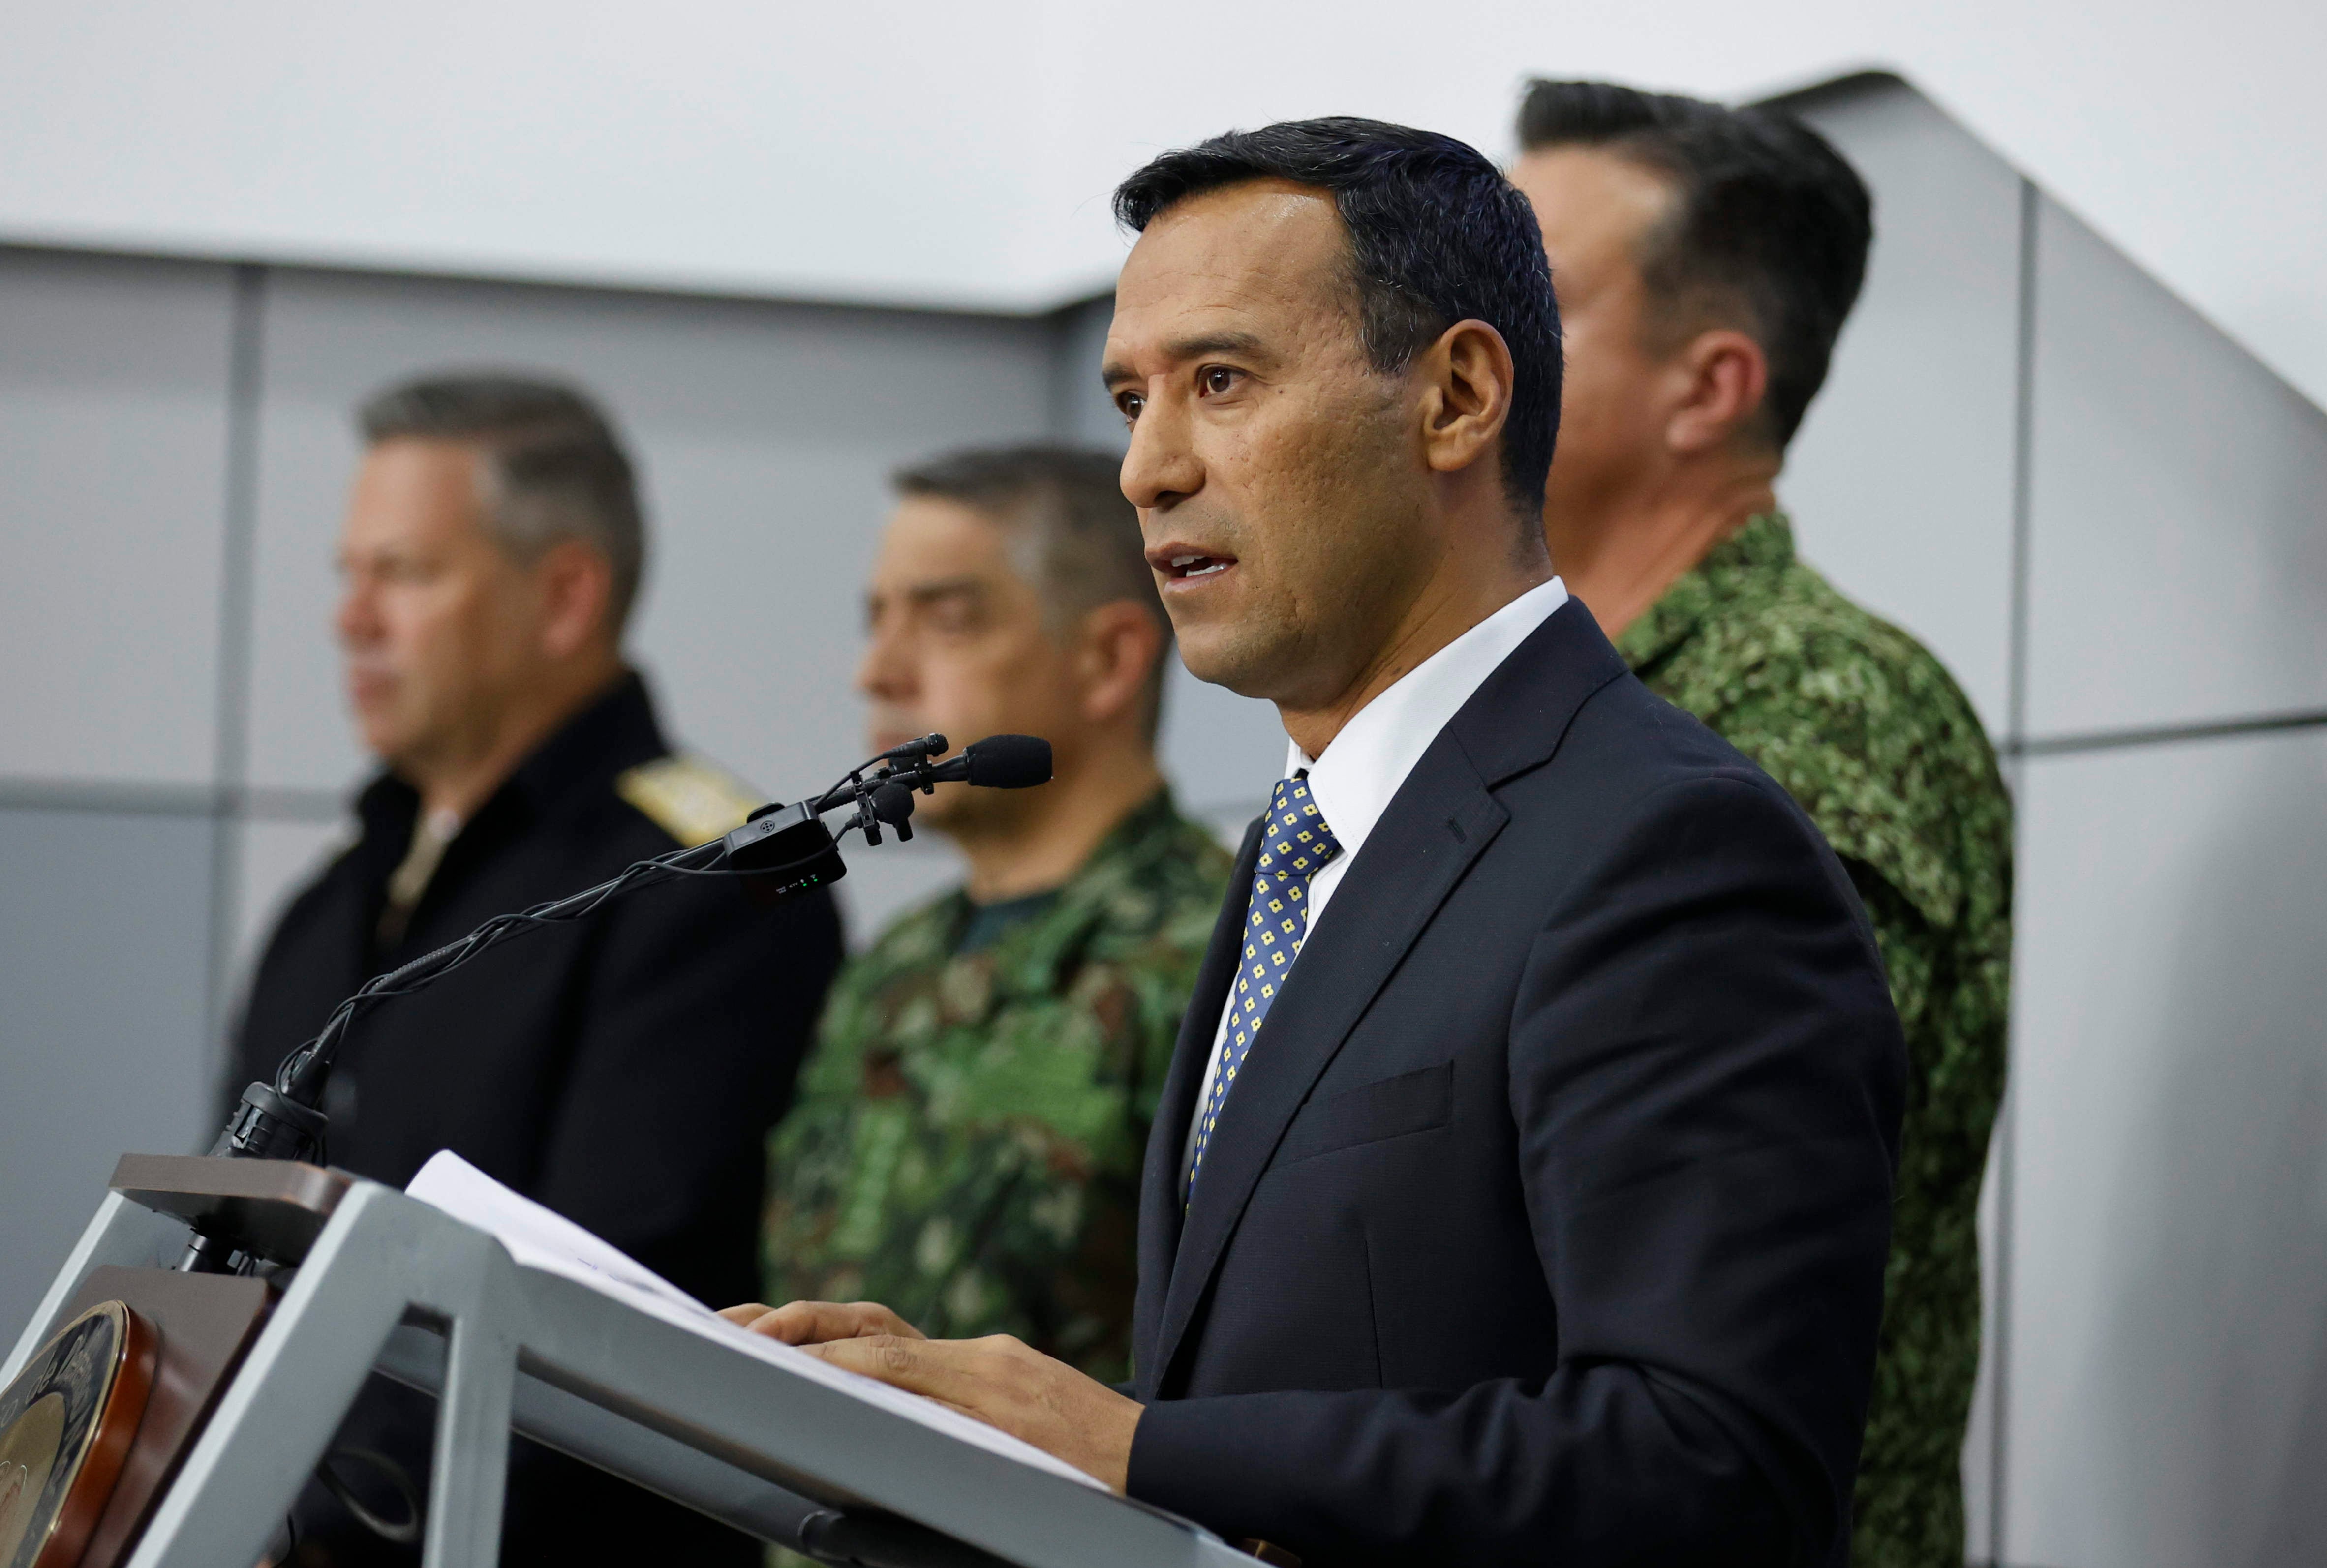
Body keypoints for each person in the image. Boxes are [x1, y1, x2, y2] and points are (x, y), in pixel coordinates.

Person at [725, 119, 1905, 1567]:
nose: (1147, 470)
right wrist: (962, 1423)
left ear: (1458, 396)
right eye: (1129, 399)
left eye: (1220, 382)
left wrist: (1121, 1439)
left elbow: (1710, 1466)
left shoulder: (1671, 853)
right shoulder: (1309, 848)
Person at [1508, 81, 2013, 1568]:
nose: (1436, 335)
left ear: (1709, 386)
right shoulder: (1544, 706)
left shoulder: (1818, 711)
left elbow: (1695, 1288)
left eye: (1522, 290)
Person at [229, 374, 840, 1567]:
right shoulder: (336, 896)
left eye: (403, 574)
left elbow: (591, 1330)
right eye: (349, 574)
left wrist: (292, 1525)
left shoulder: (710, 880)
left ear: (564, 595)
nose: (352, 618)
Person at [761, 446, 1233, 1393]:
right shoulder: (893, 968)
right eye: (876, 622)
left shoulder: (1218, 957)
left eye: (944, 620)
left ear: (1107, 659)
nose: (878, 673)